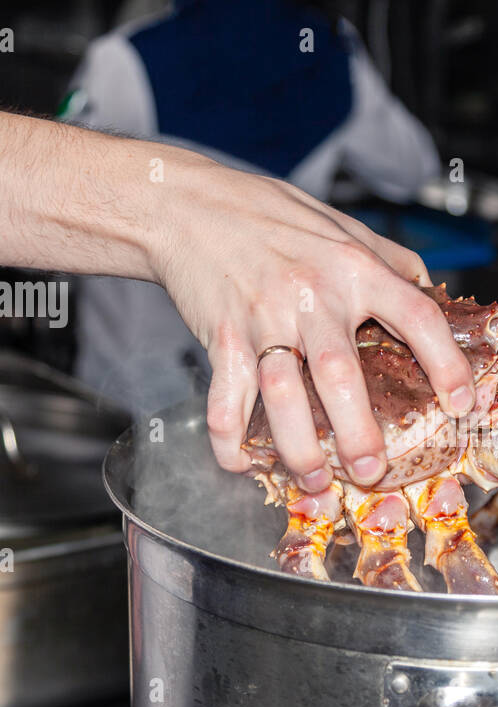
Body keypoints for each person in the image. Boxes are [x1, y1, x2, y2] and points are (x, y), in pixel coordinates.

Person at [0, 32, 474, 681]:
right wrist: (172, 208)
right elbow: (411, 167)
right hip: (216, 384)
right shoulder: (340, 61)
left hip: (185, 377)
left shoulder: (122, 60)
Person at [62, 0, 442, 419]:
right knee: (252, 454)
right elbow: (412, 171)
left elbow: (65, 190)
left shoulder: (125, 56)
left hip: (133, 363)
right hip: (270, 360)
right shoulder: (332, 53)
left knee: (131, 463)